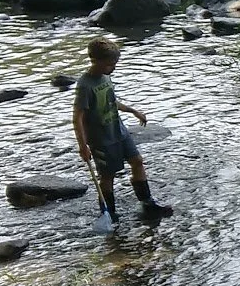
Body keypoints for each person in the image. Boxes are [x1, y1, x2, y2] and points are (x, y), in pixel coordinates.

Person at [73, 37, 173, 224]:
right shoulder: (85, 85)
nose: (113, 68)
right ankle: (109, 213)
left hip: (119, 131)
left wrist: (133, 111)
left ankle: (147, 203)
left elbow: (111, 101)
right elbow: (77, 117)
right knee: (107, 176)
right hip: (101, 139)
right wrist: (82, 146)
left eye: (115, 64)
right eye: (110, 64)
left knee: (137, 161)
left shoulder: (105, 78)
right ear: (96, 61)